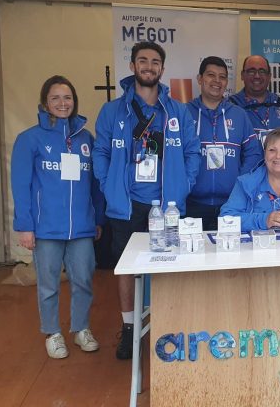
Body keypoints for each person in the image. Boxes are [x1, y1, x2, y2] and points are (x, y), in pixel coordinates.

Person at [93, 41, 200, 360]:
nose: (149, 66)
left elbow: (193, 151)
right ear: (133, 66)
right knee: (126, 269)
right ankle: (128, 330)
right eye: (143, 61)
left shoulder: (177, 111)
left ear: (162, 69)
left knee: (168, 266)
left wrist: (185, 184)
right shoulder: (113, 111)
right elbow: (101, 151)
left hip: (167, 205)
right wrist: (107, 183)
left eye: (155, 62)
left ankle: (166, 326)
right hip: (126, 205)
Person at [11, 75, 104, 359]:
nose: (63, 103)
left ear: (74, 102)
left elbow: (95, 184)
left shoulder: (86, 139)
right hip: (46, 229)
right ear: (44, 103)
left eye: (68, 98)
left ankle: (81, 329)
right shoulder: (29, 139)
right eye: (56, 98)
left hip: (82, 229)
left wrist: (97, 218)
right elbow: (21, 184)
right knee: (49, 284)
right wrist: (25, 226)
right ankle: (52, 333)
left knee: (83, 281)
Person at [186, 56, 263, 231]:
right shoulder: (185, 113)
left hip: (232, 204)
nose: (217, 81)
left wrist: (239, 183)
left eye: (222, 77)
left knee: (231, 256)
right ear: (200, 79)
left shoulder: (239, 114)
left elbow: (253, 154)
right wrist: (186, 183)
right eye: (211, 75)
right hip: (193, 204)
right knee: (195, 256)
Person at [229, 55, 280, 146]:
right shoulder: (232, 105)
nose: (257, 76)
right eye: (251, 71)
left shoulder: (279, 104)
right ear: (242, 75)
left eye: (262, 71)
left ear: (269, 76)